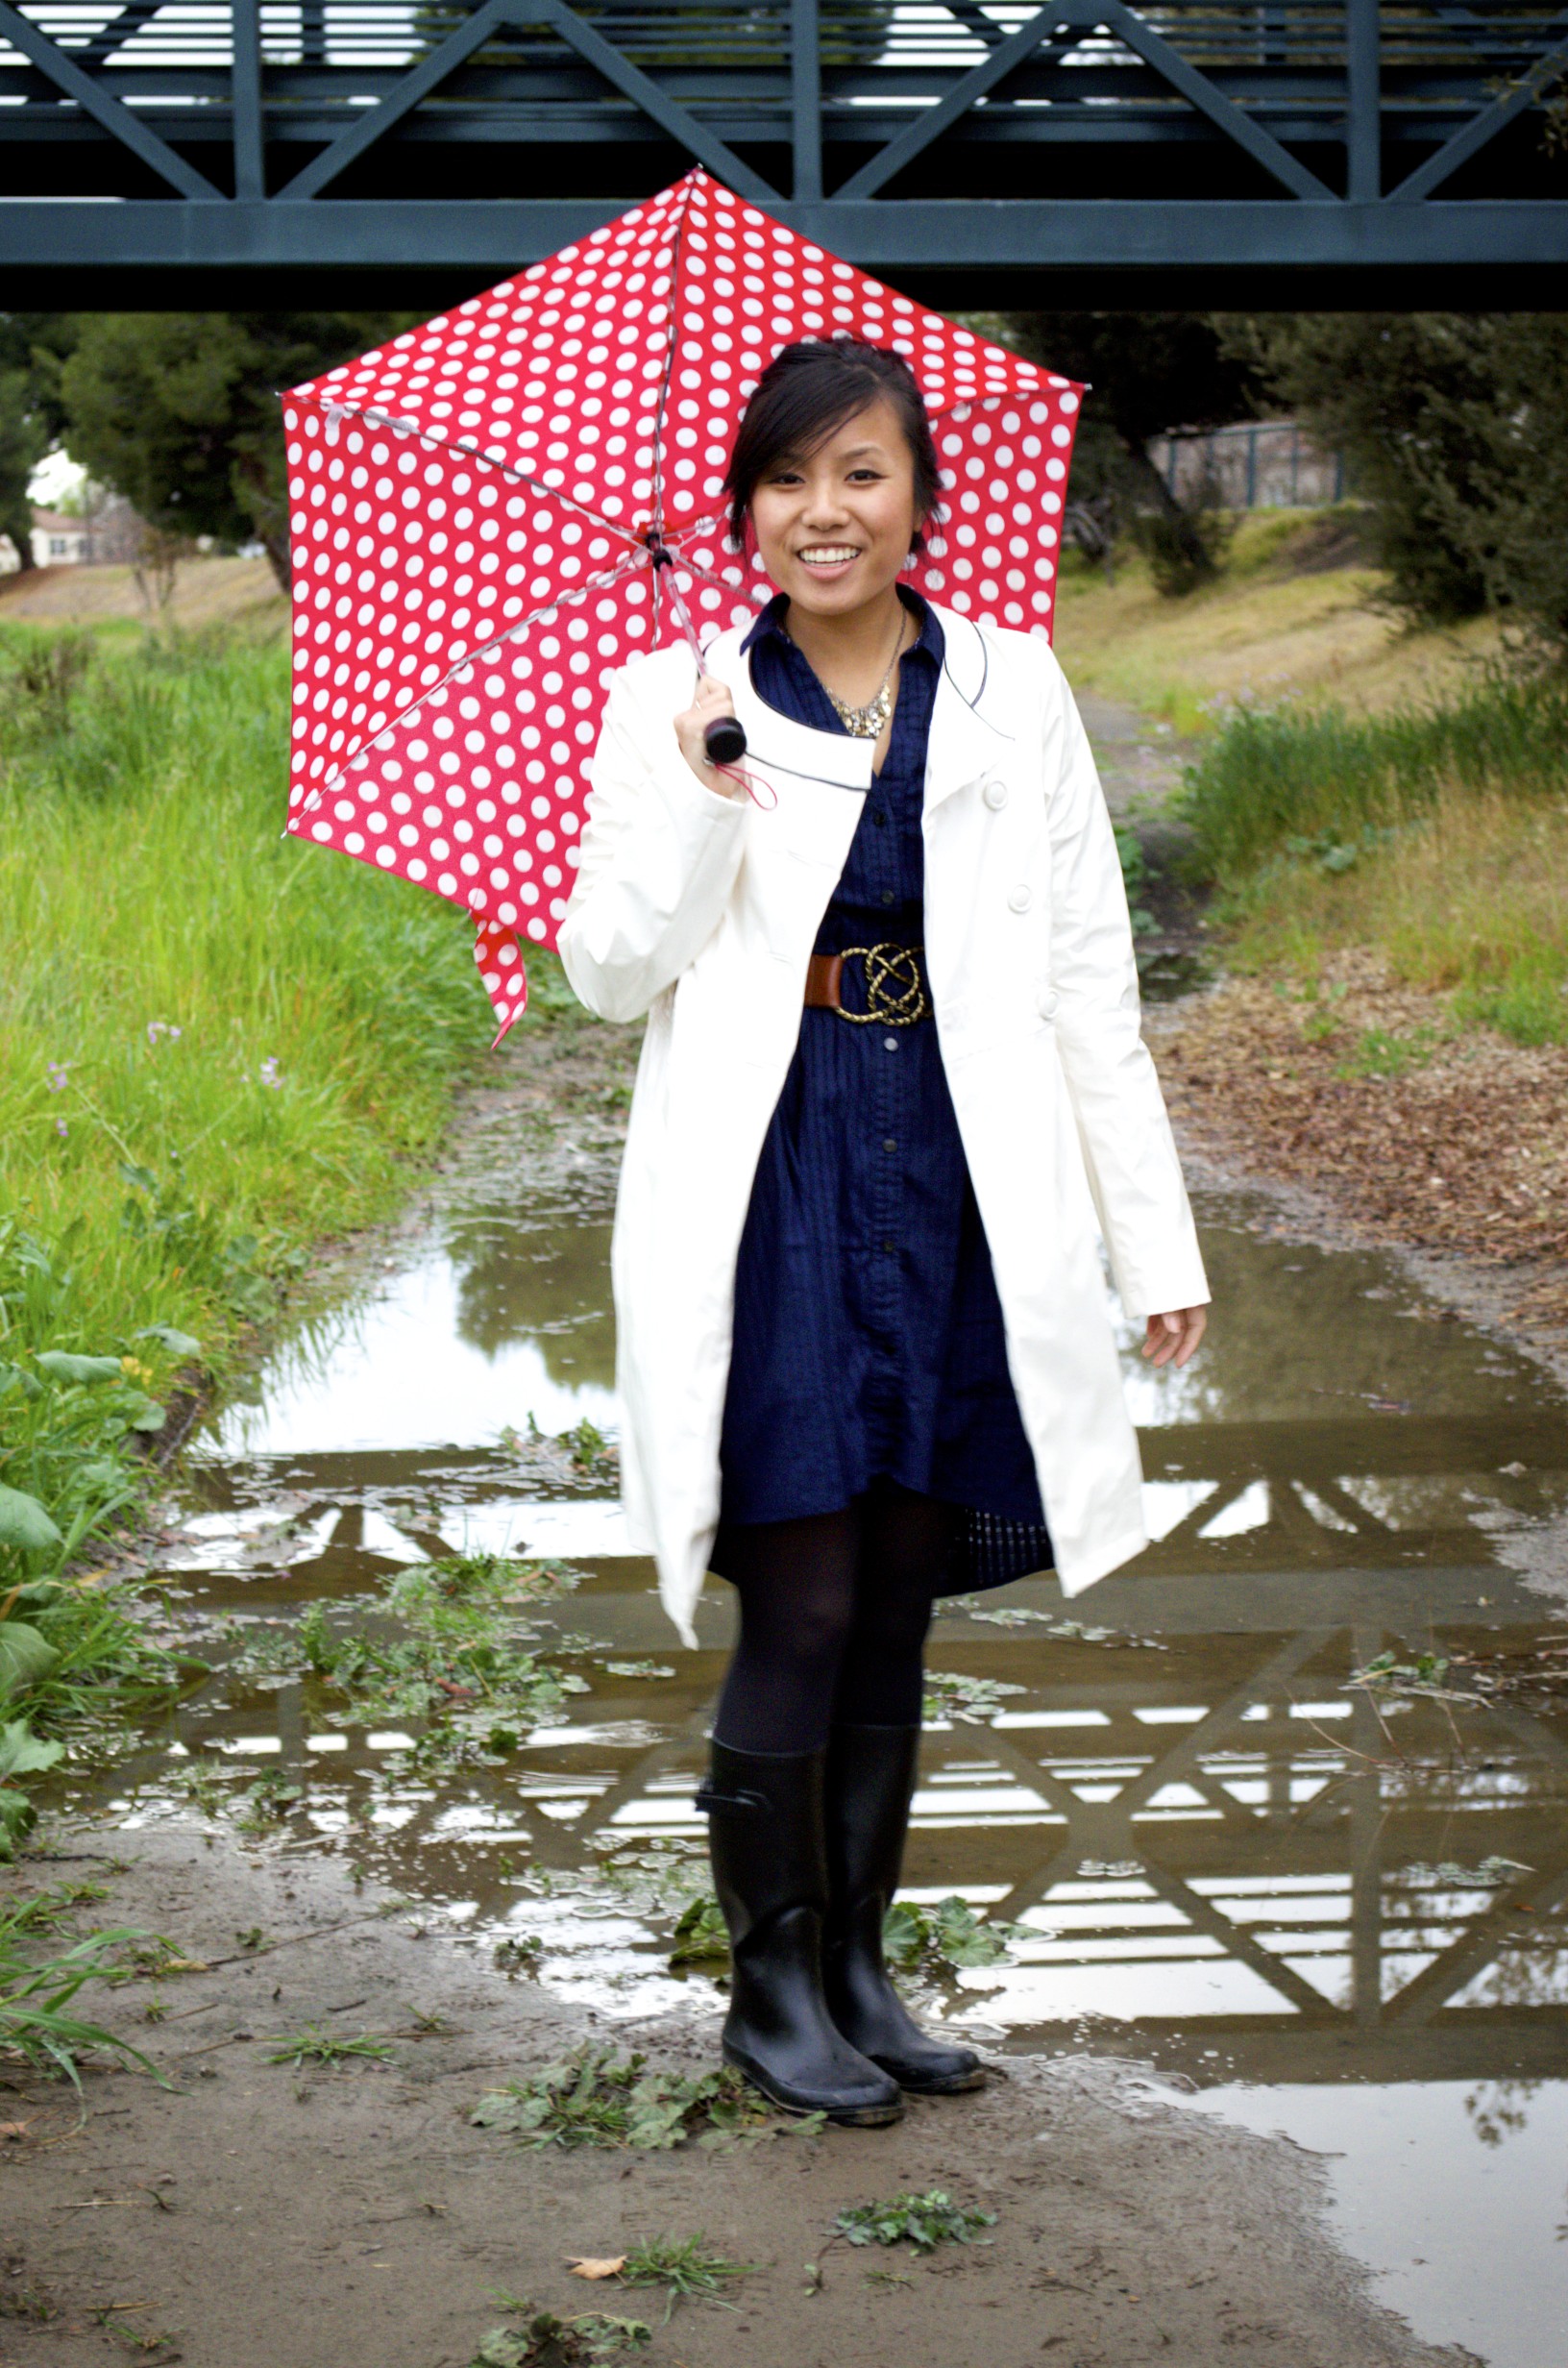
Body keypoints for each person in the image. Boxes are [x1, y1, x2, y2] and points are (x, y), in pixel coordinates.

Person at [557, 337, 1209, 2130]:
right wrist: (701, 801)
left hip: (956, 1163)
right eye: (786, 478)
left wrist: (1153, 1245)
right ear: (741, 508)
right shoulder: (676, 697)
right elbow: (607, 974)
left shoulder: (1012, 687)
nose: (822, 512)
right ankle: (769, 1990)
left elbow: (1092, 981)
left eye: (861, 473)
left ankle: (858, 1969)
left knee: (899, 1594)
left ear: (922, 493)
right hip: (773, 1173)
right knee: (809, 1586)